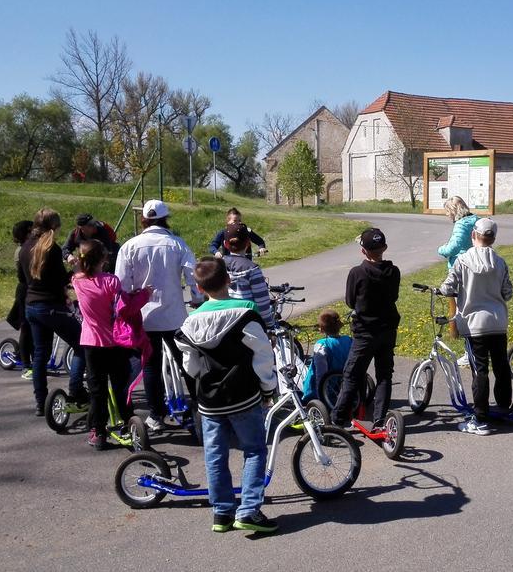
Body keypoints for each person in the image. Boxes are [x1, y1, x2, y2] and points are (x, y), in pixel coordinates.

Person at [174, 257, 277, 534]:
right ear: (228, 280)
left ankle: (221, 512)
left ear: (198, 287)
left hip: (210, 399)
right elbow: (263, 355)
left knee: (215, 455)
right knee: (254, 450)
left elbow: (190, 365)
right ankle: (249, 510)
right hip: (243, 393)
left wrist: (202, 379)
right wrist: (268, 387)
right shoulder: (246, 313)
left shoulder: (190, 323)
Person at [115, 199, 203, 433]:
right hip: (174, 314)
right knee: (186, 361)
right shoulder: (177, 244)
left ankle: (156, 414)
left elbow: (121, 283)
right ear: (166, 218)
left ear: (143, 219)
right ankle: (199, 407)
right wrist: (196, 297)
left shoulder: (130, 246)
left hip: (144, 316)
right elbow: (191, 273)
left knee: (151, 366)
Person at [438, 218, 513, 435]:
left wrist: (443, 291)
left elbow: (448, 287)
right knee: (500, 365)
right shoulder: (500, 262)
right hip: (498, 322)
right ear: (493, 238)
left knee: (480, 369)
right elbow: (507, 293)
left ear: (473, 235)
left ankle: (480, 416)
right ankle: (503, 406)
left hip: (474, 324)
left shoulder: (462, 261)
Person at [18, 209, 87, 416]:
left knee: (41, 353)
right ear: (54, 227)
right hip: (51, 306)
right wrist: (75, 270)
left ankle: (41, 401)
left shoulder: (24, 248)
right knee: (82, 344)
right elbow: (59, 280)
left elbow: (22, 279)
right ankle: (76, 391)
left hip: (32, 305)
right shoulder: (52, 249)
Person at [330, 228, 401, 430]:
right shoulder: (393, 271)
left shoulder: (357, 272)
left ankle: (338, 419)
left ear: (363, 251)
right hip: (387, 329)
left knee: (352, 374)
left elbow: (350, 301)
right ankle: (379, 419)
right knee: (384, 374)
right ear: (384, 248)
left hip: (365, 332)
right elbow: (394, 297)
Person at [71, 239, 133, 450]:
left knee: (97, 390)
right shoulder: (111, 282)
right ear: (104, 259)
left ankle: (98, 430)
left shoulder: (77, 281)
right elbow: (120, 308)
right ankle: (127, 422)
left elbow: (76, 273)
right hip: (114, 340)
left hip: (91, 341)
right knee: (120, 385)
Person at [436, 196, 479, 367]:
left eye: (448, 212)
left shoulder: (461, 224)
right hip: (475, 267)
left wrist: (441, 249)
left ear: (453, 211)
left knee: (462, 311)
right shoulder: (476, 220)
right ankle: (474, 350)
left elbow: (453, 247)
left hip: (461, 269)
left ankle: (470, 353)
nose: (448, 216)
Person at [222, 222, 273, 326]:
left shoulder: (218, 266)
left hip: (225, 322)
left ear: (225, 244)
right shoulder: (252, 269)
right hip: (248, 323)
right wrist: (269, 324)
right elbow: (262, 302)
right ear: (248, 243)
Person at [301, 309, 353, 403]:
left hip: (328, 387)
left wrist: (321, 394)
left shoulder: (322, 345)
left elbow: (321, 374)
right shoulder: (348, 340)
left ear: (321, 329)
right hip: (344, 380)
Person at [6, 220, 35, 381]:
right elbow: (23, 275)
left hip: (33, 289)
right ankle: (26, 365)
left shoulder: (30, 248)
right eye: (31, 231)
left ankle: (33, 359)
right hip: (25, 290)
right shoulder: (21, 251)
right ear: (25, 234)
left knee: (35, 329)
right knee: (26, 327)